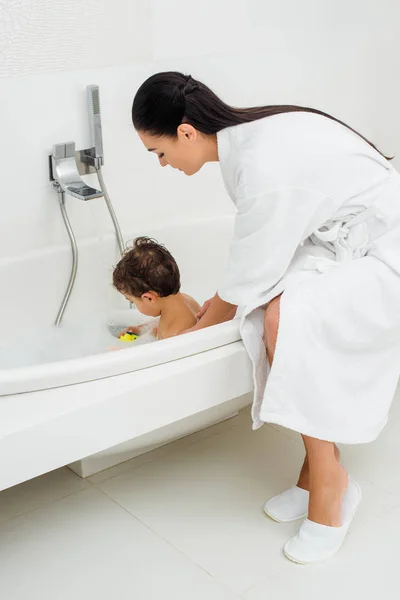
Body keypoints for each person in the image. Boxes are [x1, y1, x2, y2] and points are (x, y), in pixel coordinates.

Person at [130, 71, 400, 564]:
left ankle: (329, 488)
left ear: (186, 132)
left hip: (386, 253)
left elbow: (246, 273)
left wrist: (188, 337)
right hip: (338, 241)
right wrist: (209, 315)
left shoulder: (259, 163)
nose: (164, 164)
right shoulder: (246, 143)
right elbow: (249, 266)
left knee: (282, 320)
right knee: (264, 312)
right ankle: (320, 469)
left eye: (160, 153)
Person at [113, 236, 200, 340]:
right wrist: (140, 329)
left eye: (133, 301)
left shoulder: (171, 336)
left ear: (149, 298)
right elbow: (165, 320)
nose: (134, 304)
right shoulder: (185, 300)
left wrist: (120, 351)